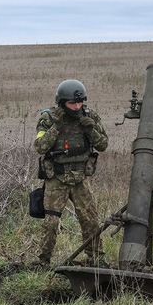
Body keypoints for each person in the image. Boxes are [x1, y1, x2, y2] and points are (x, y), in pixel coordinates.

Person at [33, 79, 109, 267]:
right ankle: (43, 262)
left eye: (80, 102)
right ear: (61, 102)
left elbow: (103, 145)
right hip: (57, 178)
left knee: (90, 221)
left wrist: (90, 129)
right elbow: (40, 147)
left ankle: (96, 261)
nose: (76, 107)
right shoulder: (48, 119)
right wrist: (56, 127)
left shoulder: (90, 116)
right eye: (72, 103)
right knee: (50, 223)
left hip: (80, 177)